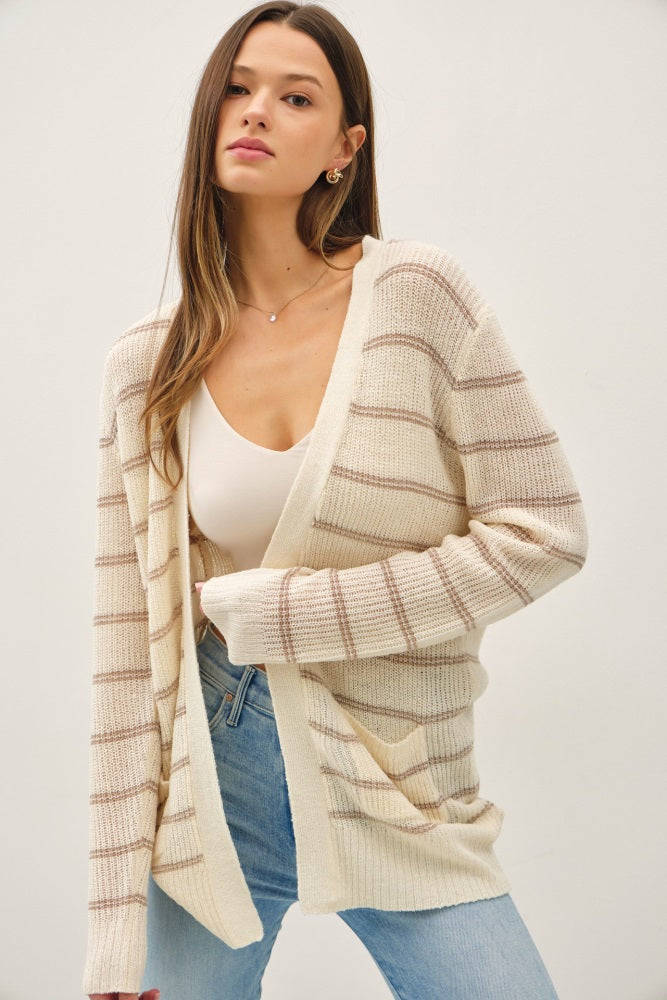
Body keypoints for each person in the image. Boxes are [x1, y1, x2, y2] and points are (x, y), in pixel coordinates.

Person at [83, 3, 587, 998]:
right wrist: (112, 928)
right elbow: (127, 652)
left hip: (400, 781)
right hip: (212, 788)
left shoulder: (419, 301)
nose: (254, 110)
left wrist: (300, 614)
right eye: (237, 87)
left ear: (344, 149)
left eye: (295, 96)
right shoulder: (147, 364)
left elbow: (545, 531)